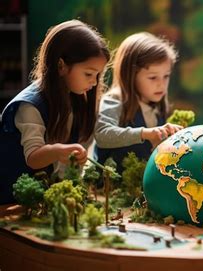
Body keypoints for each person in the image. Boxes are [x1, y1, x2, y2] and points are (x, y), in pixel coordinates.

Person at [0, 20, 110, 204]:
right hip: (13, 201)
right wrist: (58, 151)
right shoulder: (30, 106)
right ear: (61, 66)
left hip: (50, 197)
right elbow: (33, 158)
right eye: (89, 74)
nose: (94, 82)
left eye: (98, 75)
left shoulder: (78, 98)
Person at [94, 32, 182, 173]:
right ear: (130, 75)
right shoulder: (114, 100)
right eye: (153, 77)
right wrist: (145, 133)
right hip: (109, 189)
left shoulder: (158, 103)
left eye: (166, 76)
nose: (161, 84)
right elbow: (102, 134)